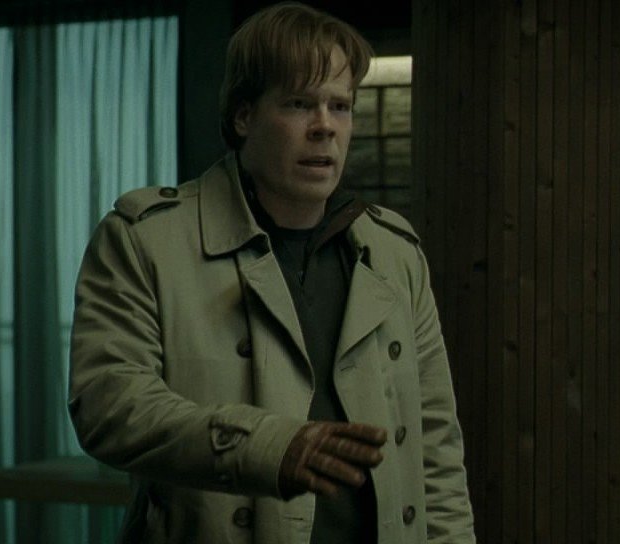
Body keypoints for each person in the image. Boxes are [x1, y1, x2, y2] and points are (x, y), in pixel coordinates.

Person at [67, 3, 474, 542]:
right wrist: (268, 447)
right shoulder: (146, 241)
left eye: (340, 106)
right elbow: (109, 405)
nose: (325, 127)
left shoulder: (393, 251)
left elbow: (435, 451)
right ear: (244, 116)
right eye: (299, 104)